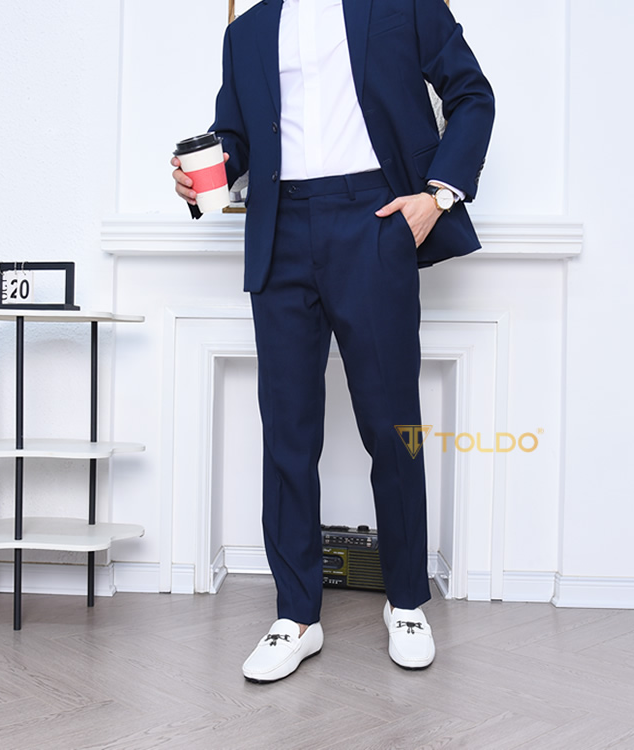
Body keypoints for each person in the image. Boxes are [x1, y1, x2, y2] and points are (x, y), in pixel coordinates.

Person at [171, 0, 493, 683]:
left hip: (373, 218)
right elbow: (236, 137)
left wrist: (436, 197)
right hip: (279, 229)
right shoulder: (246, 32)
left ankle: (406, 601)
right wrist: (203, 172)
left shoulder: (403, 4)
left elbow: (471, 93)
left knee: (393, 425)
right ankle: (296, 617)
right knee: (287, 430)